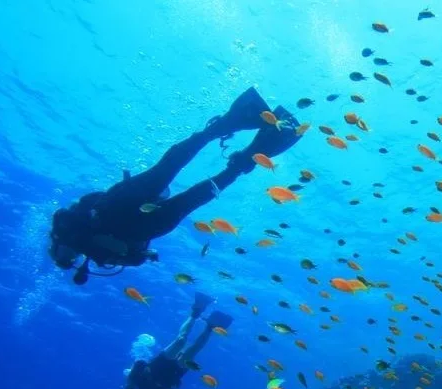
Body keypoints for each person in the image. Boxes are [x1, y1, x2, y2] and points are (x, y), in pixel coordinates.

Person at [48, 87, 303, 285]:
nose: (70, 258)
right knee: (193, 193)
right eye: (70, 260)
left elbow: (75, 212)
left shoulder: (66, 228)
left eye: (63, 256)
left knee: (169, 169)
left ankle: (229, 128)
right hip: (144, 224)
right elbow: (136, 257)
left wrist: (86, 244)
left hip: (121, 206)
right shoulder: (96, 254)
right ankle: (247, 154)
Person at [124, 293, 232, 389]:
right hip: (175, 372)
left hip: (160, 363)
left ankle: (197, 310)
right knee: (195, 348)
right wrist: (172, 387)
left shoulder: (133, 378)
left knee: (181, 340)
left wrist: (144, 372)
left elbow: (140, 363)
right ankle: (210, 327)